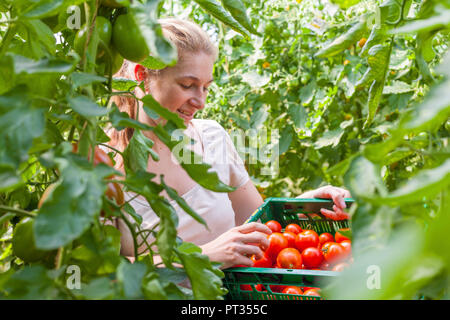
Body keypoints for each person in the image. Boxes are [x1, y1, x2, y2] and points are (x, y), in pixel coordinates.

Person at [105, 18, 351, 269]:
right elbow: (106, 271)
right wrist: (203, 256)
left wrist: (306, 206)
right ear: (142, 76)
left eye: (206, 88)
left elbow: (261, 226)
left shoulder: (212, 138)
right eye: (187, 85)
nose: (200, 102)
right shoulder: (103, 162)